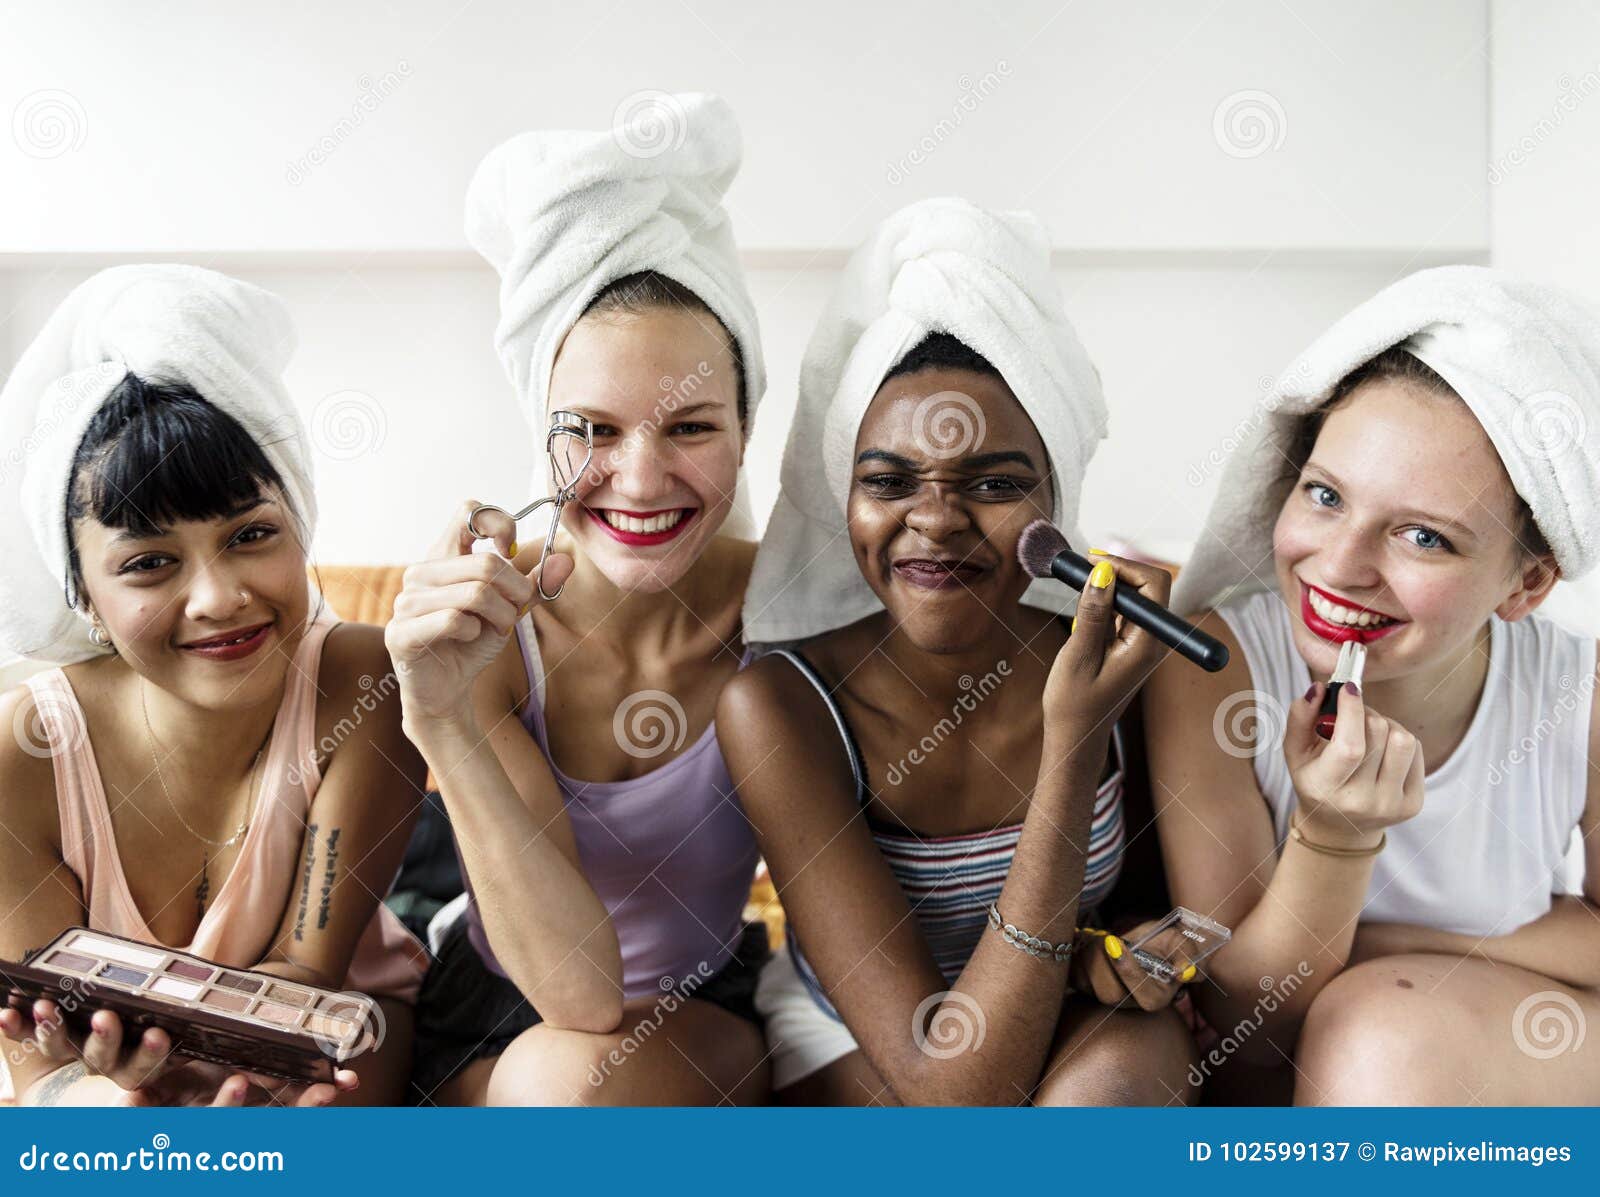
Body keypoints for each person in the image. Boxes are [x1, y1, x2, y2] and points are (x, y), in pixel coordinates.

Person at [721, 199, 1198, 1106]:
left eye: (994, 483)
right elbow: (953, 1089)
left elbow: (1141, 902)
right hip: (868, 1039)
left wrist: (1120, 955)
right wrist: (1073, 740)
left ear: (1057, 498)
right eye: (889, 481)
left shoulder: (1124, 657)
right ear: (844, 497)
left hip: (1060, 999)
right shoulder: (781, 704)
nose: (935, 522)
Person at [393, 94, 772, 1106]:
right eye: (591, 431)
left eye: (690, 427)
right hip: (499, 990)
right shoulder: (484, 632)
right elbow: (576, 992)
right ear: (540, 434)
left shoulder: (792, 614)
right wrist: (440, 718)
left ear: (746, 430)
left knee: (580, 1096)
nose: (640, 481)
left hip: (700, 1006)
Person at [1147, 266, 1600, 1104]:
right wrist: (1331, 838)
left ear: (1526, 586)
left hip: (1519, 1056)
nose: (1341, 568)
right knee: (1369, 1028)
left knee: (1373, 1025)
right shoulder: (1214, 666)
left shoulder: (1582, 693)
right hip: (1338, 1083)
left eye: (1424, 536)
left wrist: (1378, 944)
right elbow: (1243, 1033)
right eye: (1325, 496)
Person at [0, 266, 427, 1106]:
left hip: (321, 1027)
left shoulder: (363, 682)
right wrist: (123, 1097)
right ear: (83, 591)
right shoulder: (20, 753)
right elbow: (39, 1066)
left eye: (251, 535)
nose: (219, 598)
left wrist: (196, 1080)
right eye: (150, 562)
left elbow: (304, 976)